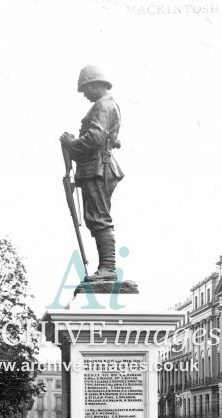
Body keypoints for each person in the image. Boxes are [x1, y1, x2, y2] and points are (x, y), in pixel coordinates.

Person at [60, 65, 124, 281]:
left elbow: (95, 139)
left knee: (99, 218)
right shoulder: (107, 105)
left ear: (96, 85)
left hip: (99, 169)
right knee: (96, 217)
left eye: (86, 89)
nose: (85, 95)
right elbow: (110, 140)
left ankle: (108, 269)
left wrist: (71, 144)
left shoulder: (103, 105)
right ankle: (106, 268)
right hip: (96, 168)